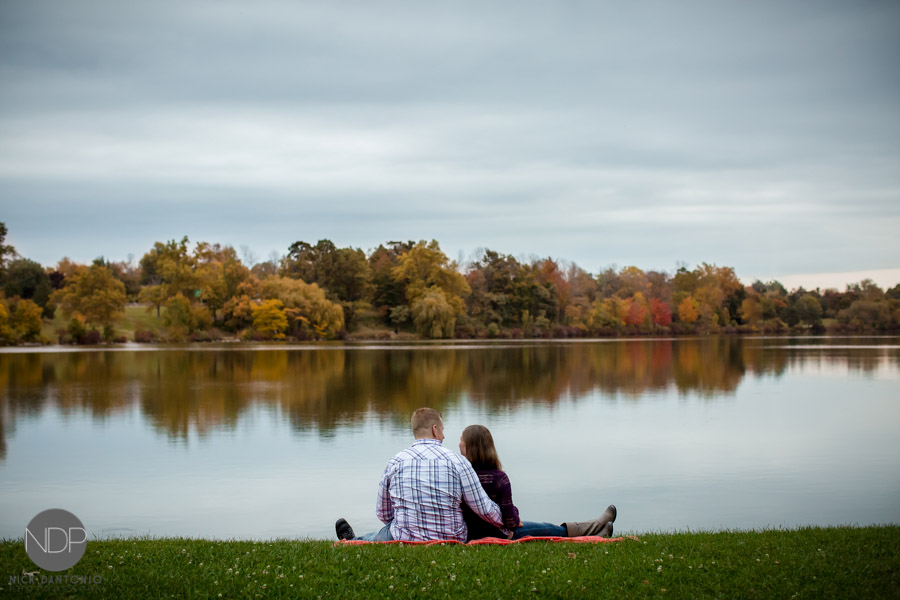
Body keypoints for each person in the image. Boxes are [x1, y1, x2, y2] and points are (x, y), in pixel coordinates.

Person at [335, 408, 505, 542]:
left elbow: (383, 512)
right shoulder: (457, 461)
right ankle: (358, 540)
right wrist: (508, 519)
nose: (444, 435)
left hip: (404, 537)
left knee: (385, 532)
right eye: (443, 430)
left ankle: (355, 541)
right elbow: (484, 509)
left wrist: (409, 520)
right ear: (435, 429)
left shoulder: (396, 461)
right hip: (452, 538)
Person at [459, 424, 616, 540]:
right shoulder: (499, 478)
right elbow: (511, 522)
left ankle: (599, 530)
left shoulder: (460, 475)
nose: (459, 443)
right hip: (500, 534)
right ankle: (596, 527)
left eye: (461, 440)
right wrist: (515, 514)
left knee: (544, 527)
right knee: (549, 528)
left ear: (470, 447)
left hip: (471, 533)